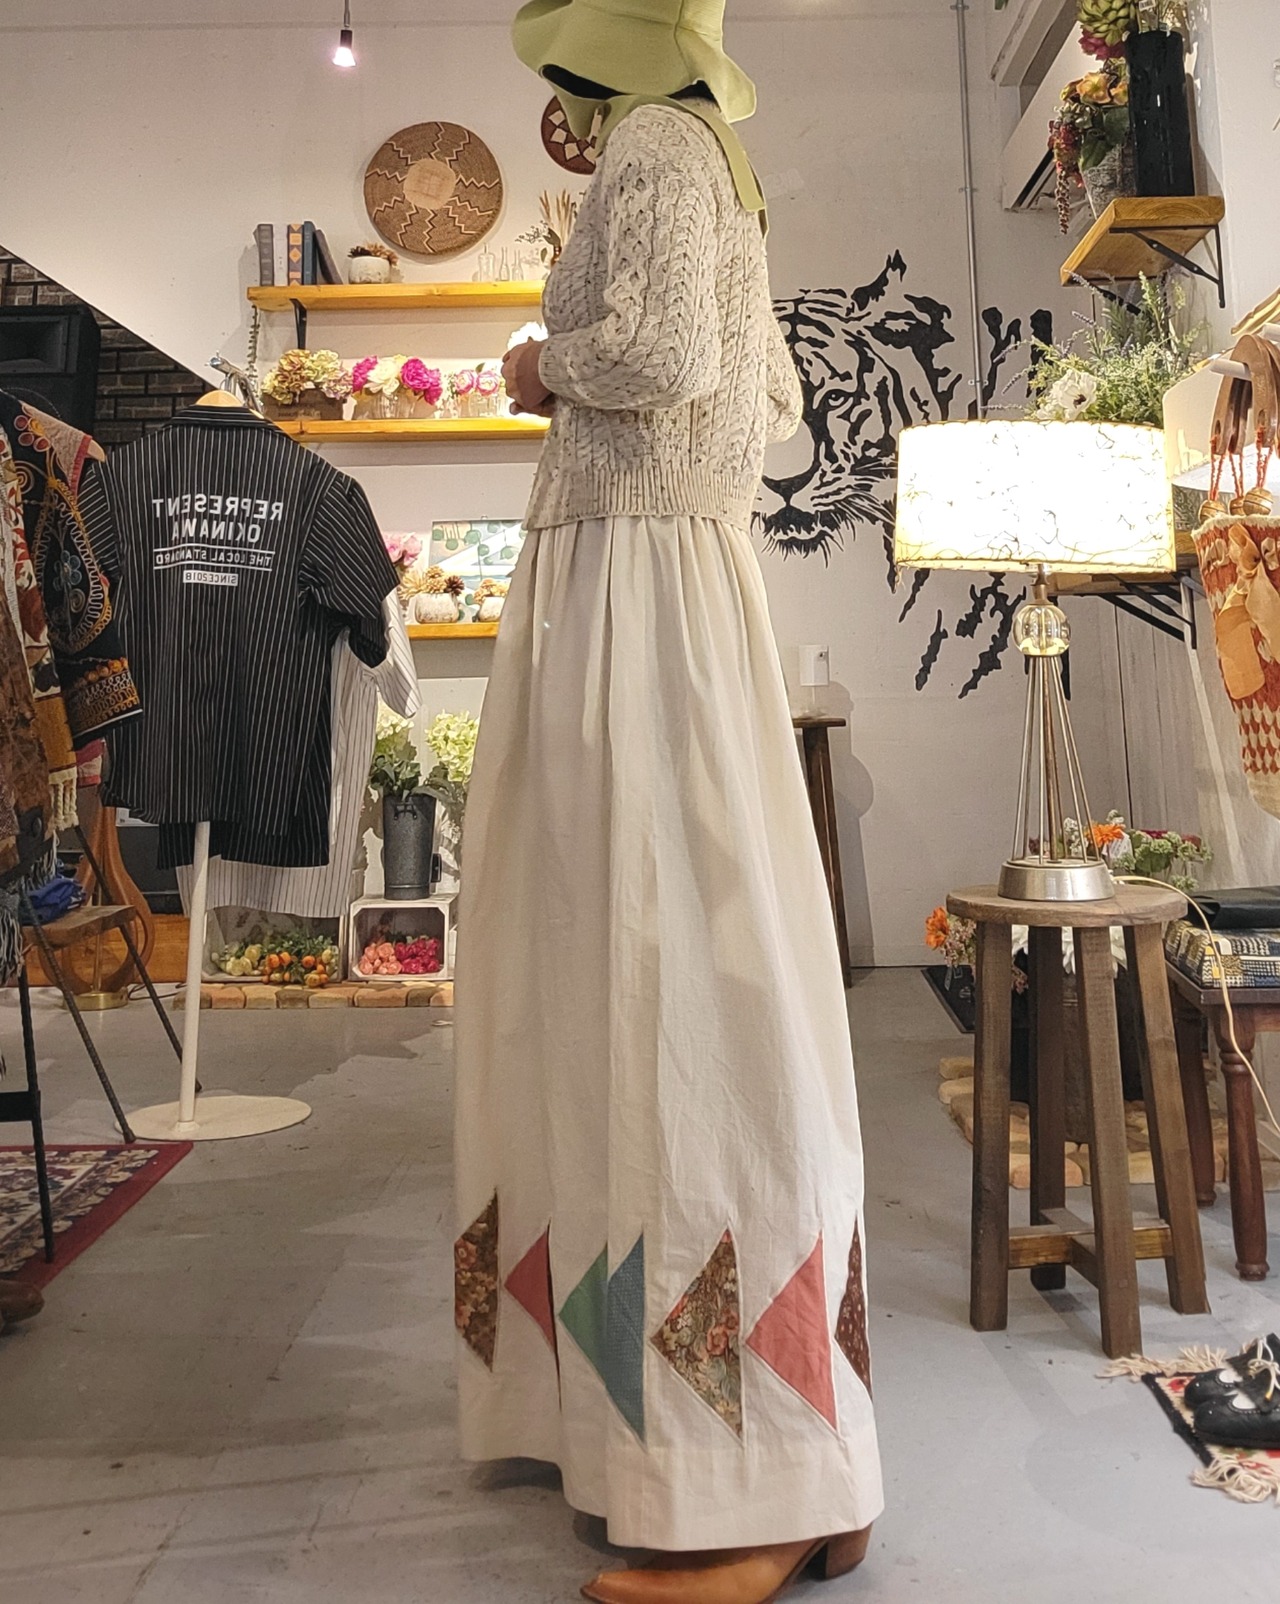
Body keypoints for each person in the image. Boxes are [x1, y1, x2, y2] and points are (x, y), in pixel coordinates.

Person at [454, 4, 883, 1600]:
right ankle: (760, 1442)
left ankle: (748, 1483)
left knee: (661, 988)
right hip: (675, 584)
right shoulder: (716, 160)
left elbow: (662, 359)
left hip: (628, 592)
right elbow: (767, 398)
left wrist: (533, 364)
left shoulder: (649, 144)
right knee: (682, 973)